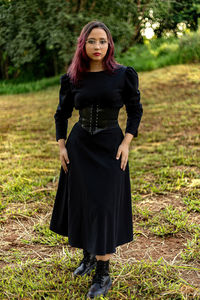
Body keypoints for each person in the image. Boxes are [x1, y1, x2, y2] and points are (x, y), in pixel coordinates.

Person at [49, 20, 143, 299]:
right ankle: (88, 256)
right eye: (92, 41)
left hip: (110, 148)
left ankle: (103, 273)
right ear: (84, 44)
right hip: (79, 148)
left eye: (103, 41)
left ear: (109, 44)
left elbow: (135, 111)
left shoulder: (123, 75)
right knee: (83, 202)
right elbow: (61, 114)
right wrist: (62, 145)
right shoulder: (72, 78)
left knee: (103, 206)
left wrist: (127, 142)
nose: (98, 46)